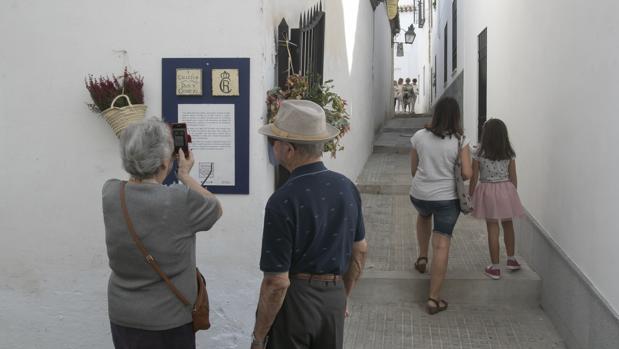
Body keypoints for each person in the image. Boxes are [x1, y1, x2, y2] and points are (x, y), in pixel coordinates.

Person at [251, 100, 368, 349]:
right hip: (334, 296)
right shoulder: (347, 188)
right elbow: (360, 250)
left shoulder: (282, 200)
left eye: (275, 142)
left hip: (297, 301)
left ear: (289, 150)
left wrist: (259, 336)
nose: (273, 148)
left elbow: (277, 282)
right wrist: (342, 295)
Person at [102, 119, 222, 349]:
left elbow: (135, 186)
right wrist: (185, 175)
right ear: (165, 162)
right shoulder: (178, 200)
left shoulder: (110, 192)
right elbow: (215, 208)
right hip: (170, 319)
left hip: (123, 315)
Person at [409, 97, 472, 315]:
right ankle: (433, 299)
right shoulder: (460, 140)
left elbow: (413, 169)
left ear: (435, 114)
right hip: (447, 199)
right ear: (456, 116)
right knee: (442, 244)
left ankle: (422, 256)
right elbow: (466, 173)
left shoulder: (419, 136)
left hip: (420, 194)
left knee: (424, 215)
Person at [468, 118, 525, 280]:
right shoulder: (509, 153)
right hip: (506, 190)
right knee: (508, 225)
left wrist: (471, 195)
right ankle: (511, 259)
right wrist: (512, 193)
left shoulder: (478, 153)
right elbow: (514, 178)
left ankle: (495, 267)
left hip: (487, 191)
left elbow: (474, 177)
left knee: (492, 229)